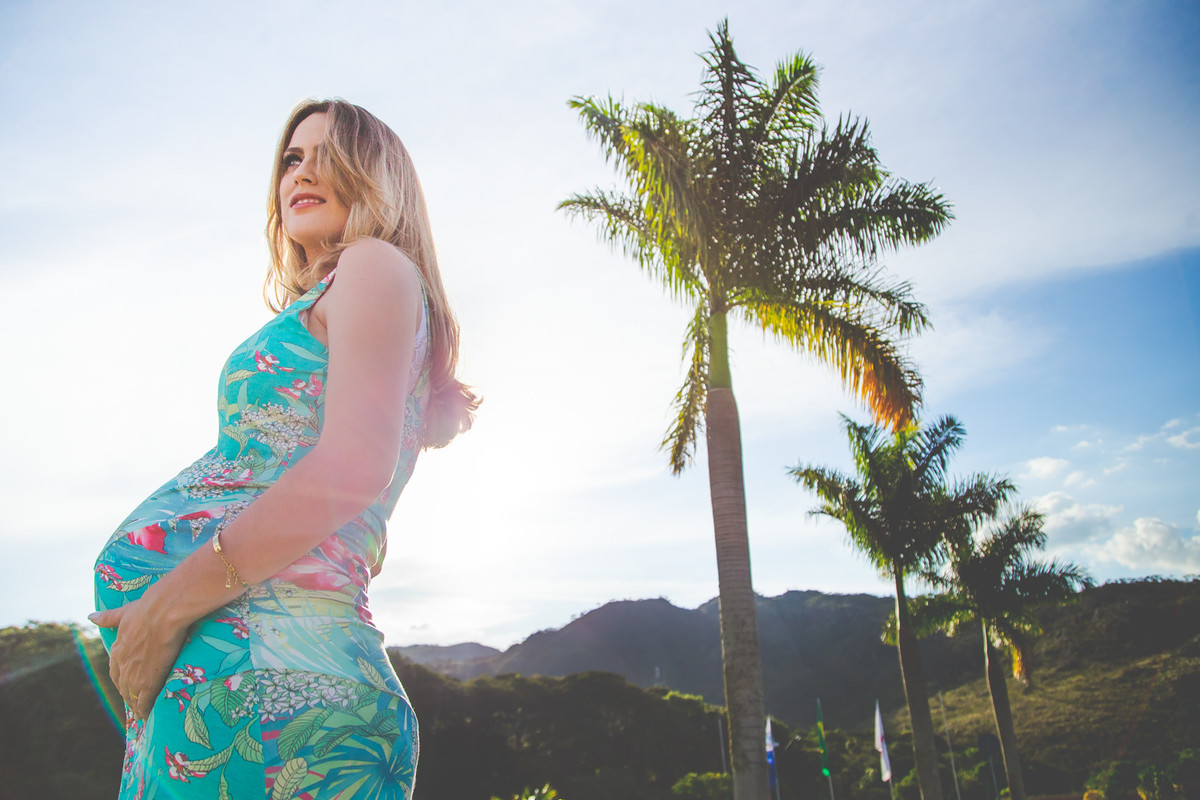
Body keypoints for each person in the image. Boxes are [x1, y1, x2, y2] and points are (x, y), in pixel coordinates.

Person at [89, 98, 476, 800]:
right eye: (291, 159)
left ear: (378, 178)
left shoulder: (375, 264)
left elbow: (355, 465)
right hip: (231, 688)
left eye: (330, 156)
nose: (301, 172)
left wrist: (166, 606)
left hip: (275, 691)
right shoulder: (338, 292)